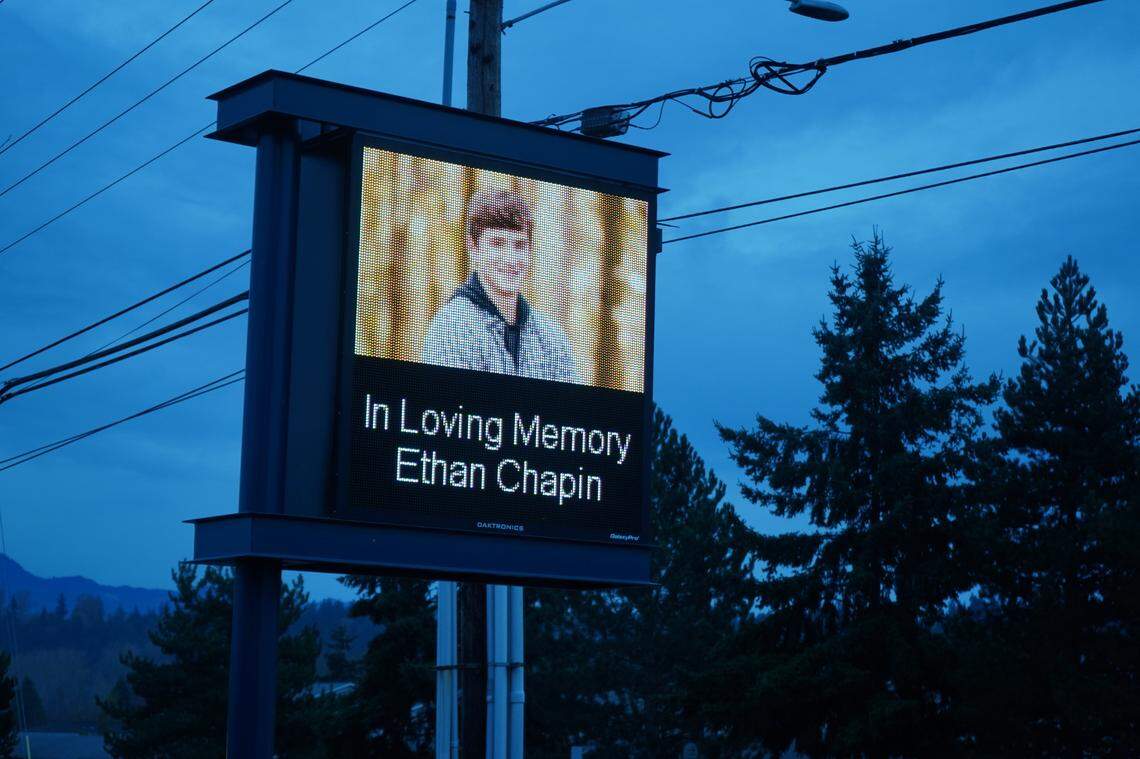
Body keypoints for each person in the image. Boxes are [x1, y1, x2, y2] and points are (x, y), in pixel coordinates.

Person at [422, 188, 580, 383]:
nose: (511, 259)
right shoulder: (453, 328)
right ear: (473, 248)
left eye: (520, 245)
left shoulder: (553, 339)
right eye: (497, 243)